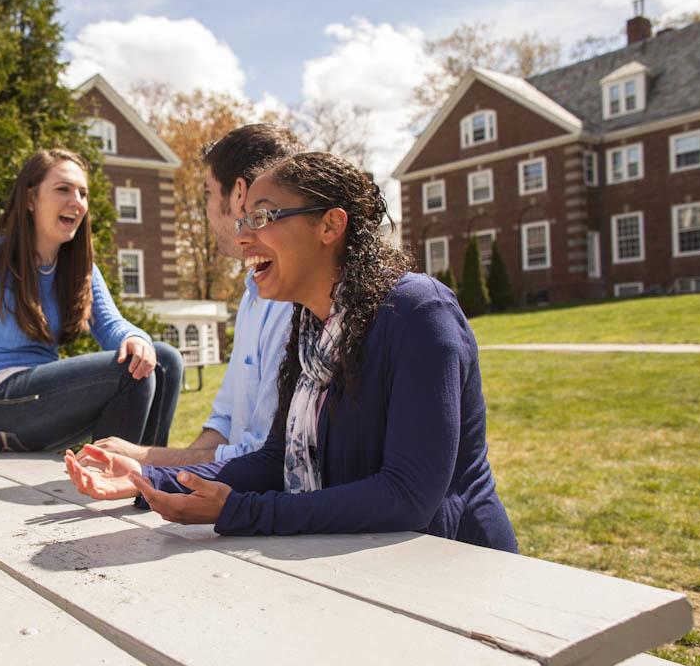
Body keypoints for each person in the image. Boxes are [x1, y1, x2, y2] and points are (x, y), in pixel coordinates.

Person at [66, 152, 518, 552]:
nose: (243, 238)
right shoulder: (308, 327)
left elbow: (408, 496)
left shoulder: (419, 313)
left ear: (330, 225)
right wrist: (148, 481)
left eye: (262, 218)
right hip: (359, 564)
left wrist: (242, 513)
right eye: (242, 221)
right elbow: (275, 459)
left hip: (451, 567)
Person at [0, 148, 183, 465]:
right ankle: (107, 473)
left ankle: (145, 477)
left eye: (83, 193)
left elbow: (111, 325)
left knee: (163, 361)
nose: (76, 201)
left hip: (37, 404)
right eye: (63, 189)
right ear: (30, 199)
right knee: (128, 372)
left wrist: (137, 338)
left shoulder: (78, 267)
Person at [93, 124, 302, 466]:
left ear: (238, 195)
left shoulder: (292, 301)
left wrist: (147, 461)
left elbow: (268, 457)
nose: (205, 209)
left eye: (207, 193)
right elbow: (223, 424)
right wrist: (158, 472)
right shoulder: (253, 295)